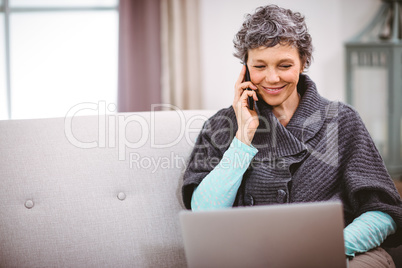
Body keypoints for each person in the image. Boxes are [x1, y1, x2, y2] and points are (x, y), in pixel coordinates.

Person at [181, 4, 402, 268]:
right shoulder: (221, 125)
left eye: (284, 65)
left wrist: (328, 249)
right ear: (246, 68)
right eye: (259, 66)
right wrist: (243, 139)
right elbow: (204, 215)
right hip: (255, 258)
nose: (272, 78)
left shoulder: (341, 120)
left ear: (303, 62)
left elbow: (383, 211)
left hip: (343, 255)